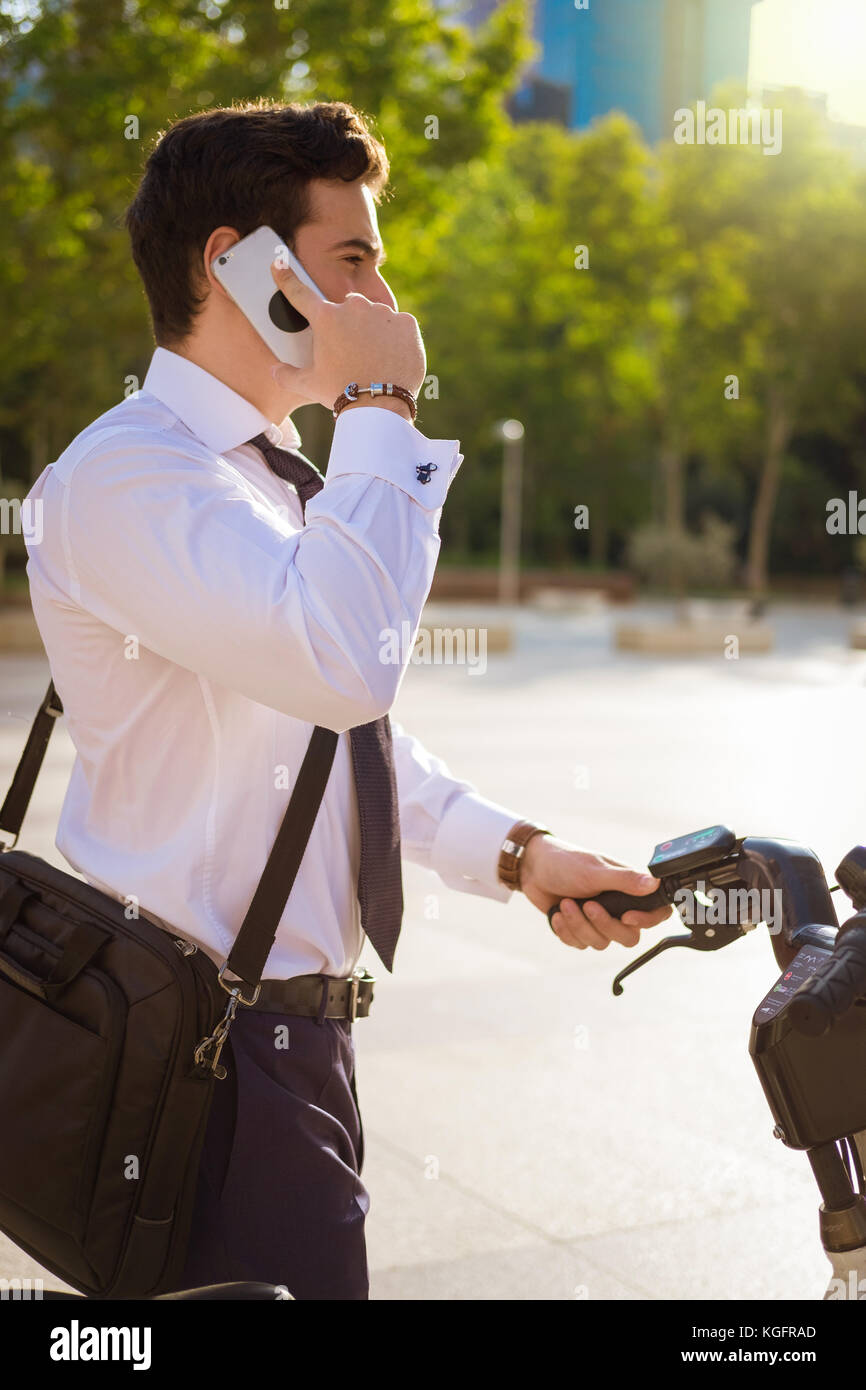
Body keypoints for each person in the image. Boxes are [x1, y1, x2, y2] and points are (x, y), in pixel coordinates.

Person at [23, 99, 670, 1300]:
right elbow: (340, 658)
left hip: (285, 1049)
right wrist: (378, 407)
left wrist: (519, 853)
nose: (384, 301)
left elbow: (335, 731)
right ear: (243, 266)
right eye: (355, 260)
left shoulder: (269, 480)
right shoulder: (127, 474)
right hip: (196, 1060)